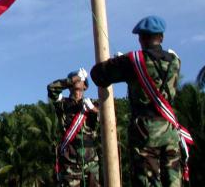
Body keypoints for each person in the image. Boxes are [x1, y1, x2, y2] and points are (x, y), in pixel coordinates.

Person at [90, 15, 191, 187]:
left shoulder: (134, 61)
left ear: (141, 38)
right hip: (170, 129)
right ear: (162, 37)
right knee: (174, 181)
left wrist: (117, 62)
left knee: (147, 180)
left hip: (145, 131)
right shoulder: (175, 61)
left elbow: (98, 75)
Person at [47, 68, 101, 187]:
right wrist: (73, 79)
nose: (78, 81)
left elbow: (108, 120)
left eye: (81, 80)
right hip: (69, 162)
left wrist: (93, 109)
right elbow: (51, 89)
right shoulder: (62, 104)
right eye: (75, 80)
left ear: (85, 86)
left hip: (90, 161)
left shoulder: (93, 103)